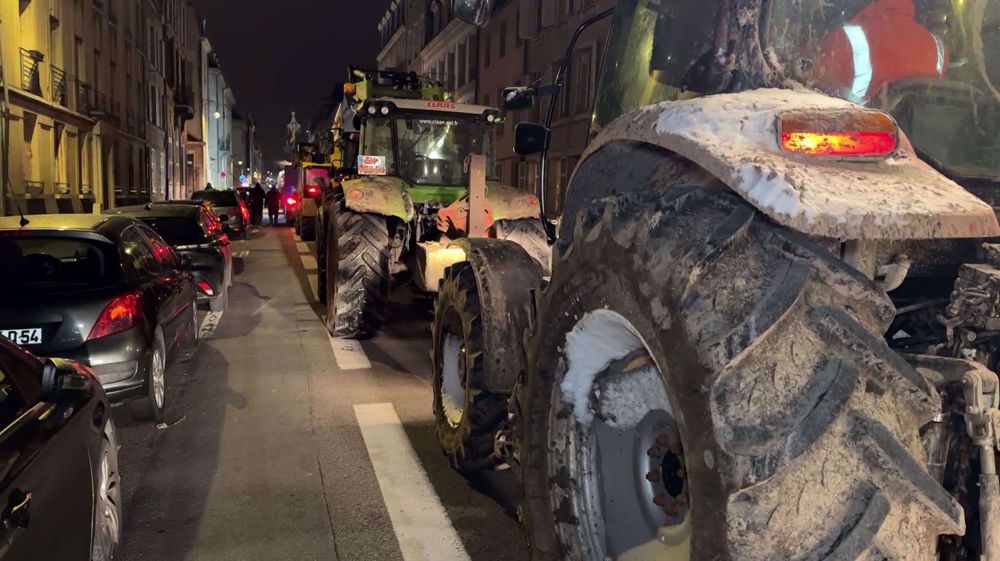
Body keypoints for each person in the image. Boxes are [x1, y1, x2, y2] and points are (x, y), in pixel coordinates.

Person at [816, 0, 948, 104]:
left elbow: (817, 104)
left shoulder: (841, 41)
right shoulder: (938, 48)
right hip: (934, 136)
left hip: (865, 134)